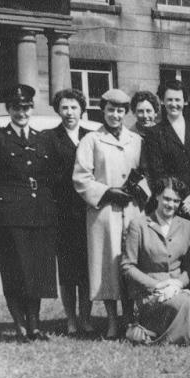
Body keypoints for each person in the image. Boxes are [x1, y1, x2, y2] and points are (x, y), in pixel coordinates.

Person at [74, 88, 150, 339]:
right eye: (110, 110)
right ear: (102, 111)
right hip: (104, 211)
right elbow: (81, 178)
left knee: (131, 262)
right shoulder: (91, 140)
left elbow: (147, 172)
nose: (115, 115)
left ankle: (132, 318)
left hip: (131, 210)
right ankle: (112, 321)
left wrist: (140, 189)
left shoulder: (136, 140)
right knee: (107, 266)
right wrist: (106, 192)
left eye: (120, 111)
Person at [0, 85, 60, 341]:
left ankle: (35, 325)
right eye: (16, 108)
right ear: (9, 109)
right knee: (14, 270)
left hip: (40, 213)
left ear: (32, 108)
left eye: (26, 107)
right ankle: (20, 326)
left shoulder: (42, 139)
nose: (21, 112)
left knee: (37, 271)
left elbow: (52, 177)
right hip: (9, 214)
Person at [120, 177, 190, 344]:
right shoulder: (138, 225)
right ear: (157, 196)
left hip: (176, 290)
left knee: (186, 302)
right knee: (187, 304)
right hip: (150, 293)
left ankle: (155, 333)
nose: (170, 205)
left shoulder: (188, 226)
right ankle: (184, 336)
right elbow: (127, 266)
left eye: (176, 201)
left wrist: (177, 284)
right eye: (167, 198)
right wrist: (157, 285)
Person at [48, 89, 94, 334]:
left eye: (74, 107)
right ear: (58, 110)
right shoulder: (50, 137)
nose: (69, 113)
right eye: (64, 108)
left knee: (86, 270)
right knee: (67, 272)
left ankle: (86, 318)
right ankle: (71, 320)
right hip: (63, 214)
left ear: (82, 109)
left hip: (88, 212)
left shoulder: (92, 136)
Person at [143, 81, 190, 223]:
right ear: (163, 102)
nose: (174, 104)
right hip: (170, 204)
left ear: (185, 101)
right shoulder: (154, 133)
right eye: (169, 100)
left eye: (178, 100)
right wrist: (178, 197)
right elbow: (157, 172)